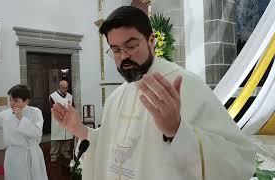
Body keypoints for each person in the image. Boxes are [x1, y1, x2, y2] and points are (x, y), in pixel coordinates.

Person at [51, 6, 256, 180]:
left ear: (151, 41)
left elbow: (240, 159)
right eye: (115, 50)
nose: (124, 56)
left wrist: (177, 131)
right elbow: (110, 147)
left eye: (131, 46)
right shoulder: (116, 98)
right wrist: (80, 130)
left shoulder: (187, 85)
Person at [50, 80, 73, 162]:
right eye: (63, 87)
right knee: (56, 137)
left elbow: (72, 107)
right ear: (59, 87)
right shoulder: (53, 96)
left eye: (66, 88)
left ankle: (65, 152)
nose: (65, 89)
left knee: (67, 137)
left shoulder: (70, 96)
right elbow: (52, 108)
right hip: (57, 119)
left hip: (67, 119)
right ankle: (54, 154)